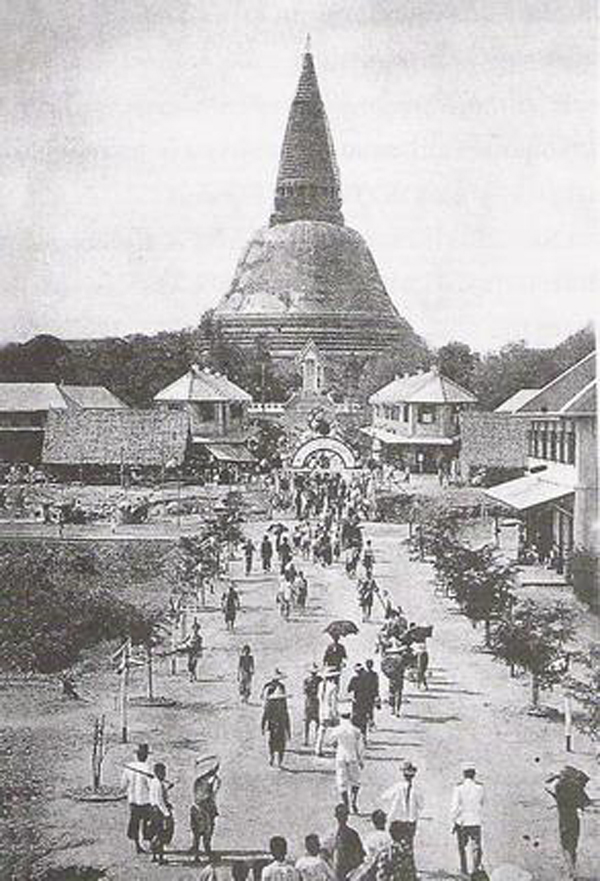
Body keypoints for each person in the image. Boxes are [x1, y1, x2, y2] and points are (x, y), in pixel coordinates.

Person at [545, 765, 592, 880]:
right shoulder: (575, 788)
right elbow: (585, 802)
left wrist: (556, 777)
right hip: (573, 820)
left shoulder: (559, 787)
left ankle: (570, 870)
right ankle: (572, 871)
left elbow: (549, 786)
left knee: (566, 845)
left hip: (563, 820)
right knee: (572, 846)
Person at [380, 762, 424, 861]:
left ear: (403, 775)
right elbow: (421, 805)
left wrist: (392, 807)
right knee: (409, 845)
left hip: (397, 821)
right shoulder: (417, 789)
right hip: (410, 822)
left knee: (395, 844)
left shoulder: (397, 787)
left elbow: (384, 797)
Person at [450, 762, 485, 878]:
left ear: (464, 774)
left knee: (462, 848)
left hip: (462, 822)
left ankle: (464, 870)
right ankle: (475, 870)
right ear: (474, 774)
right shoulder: (480, 788)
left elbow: (455, 807)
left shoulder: (458, 788)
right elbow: (482, 803)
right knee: (476, 847)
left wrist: (454, 821)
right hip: (475, 820)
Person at [329, 709, 364, 814]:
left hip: (340, 757)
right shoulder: (356, 730)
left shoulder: (337, 730)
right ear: (350, 716)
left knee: (342, 782)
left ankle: (346, 804)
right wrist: (360, 760)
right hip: (352, 757)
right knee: (355, 781)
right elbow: (360, 747)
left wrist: (336, 745)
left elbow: (331, 741)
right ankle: (353, 801)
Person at [121, 743, 152, 854]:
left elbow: (123, 785)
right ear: (146, 756)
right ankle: (149, 844)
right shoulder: (147, 768)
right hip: (145, 801)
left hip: (133, 801)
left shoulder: (129, 767)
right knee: (147, 823)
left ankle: (137, 846)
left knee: (135, 823)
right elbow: (151, 786)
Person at [322, 803, 365, 881]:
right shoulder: (331, 834)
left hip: (350, 873)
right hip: (337, 872)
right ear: (337, 816)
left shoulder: (352, 834)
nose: (342, 818)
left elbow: (360, 854)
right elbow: (324, 854)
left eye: (344, 815)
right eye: (340, 815)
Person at [190, 755, 221, 860]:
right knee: (207, 832)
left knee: (197, 833)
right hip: (206, 809)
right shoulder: (211, 780)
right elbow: (212, 795)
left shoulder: (197, 779)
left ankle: (196, 855)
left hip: (196, 807)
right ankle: (208, 853)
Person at [148, 762, 174, 865]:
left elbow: (157, 796)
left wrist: (167, 788)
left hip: (152, 810)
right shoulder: (158, 784)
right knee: (161, 834)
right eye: (163, 772)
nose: (165, 774)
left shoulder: (154, 782)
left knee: (154, 833)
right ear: (158, 773)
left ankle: (154, 856)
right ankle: (160, 858)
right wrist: (167, 814)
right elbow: (160, 801)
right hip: (159, 812)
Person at [261, 690, 291, 767]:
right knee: (271, 744)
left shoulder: (283, 708)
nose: (278, 701)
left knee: (281, 745)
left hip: (281, 728)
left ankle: (279, 761)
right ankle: (272, 757)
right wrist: (263, 727)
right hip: (273, 727)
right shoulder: (269, 706)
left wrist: (288, 732)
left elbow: (287, 720)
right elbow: (264, 717)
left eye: (280, 699)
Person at [315, 668, 340, 756]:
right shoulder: (333, 687)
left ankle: (318, 748)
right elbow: (333, 702)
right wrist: (335, 713)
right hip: (329, 711)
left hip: (322, 710)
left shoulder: (321, 685)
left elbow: (319, 697)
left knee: (322, 730)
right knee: (336, 728)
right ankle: (335, 745)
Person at [304, 663, 322, 746]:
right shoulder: (320, 679)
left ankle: (306, 739)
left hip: (309, 701)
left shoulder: (307, 680)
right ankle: (316, 739)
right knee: (317, 721)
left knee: (307, 722)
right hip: (316, 701)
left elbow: (305, 691)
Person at [363, 660, 380, 730]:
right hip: (371, 694)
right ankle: (370, 723)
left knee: (365, 709)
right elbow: (376, 685)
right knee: (370, 710)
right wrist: (377, 694)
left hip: (365, 694)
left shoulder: (363, 674)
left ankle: (368, 723)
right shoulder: (374, 674)